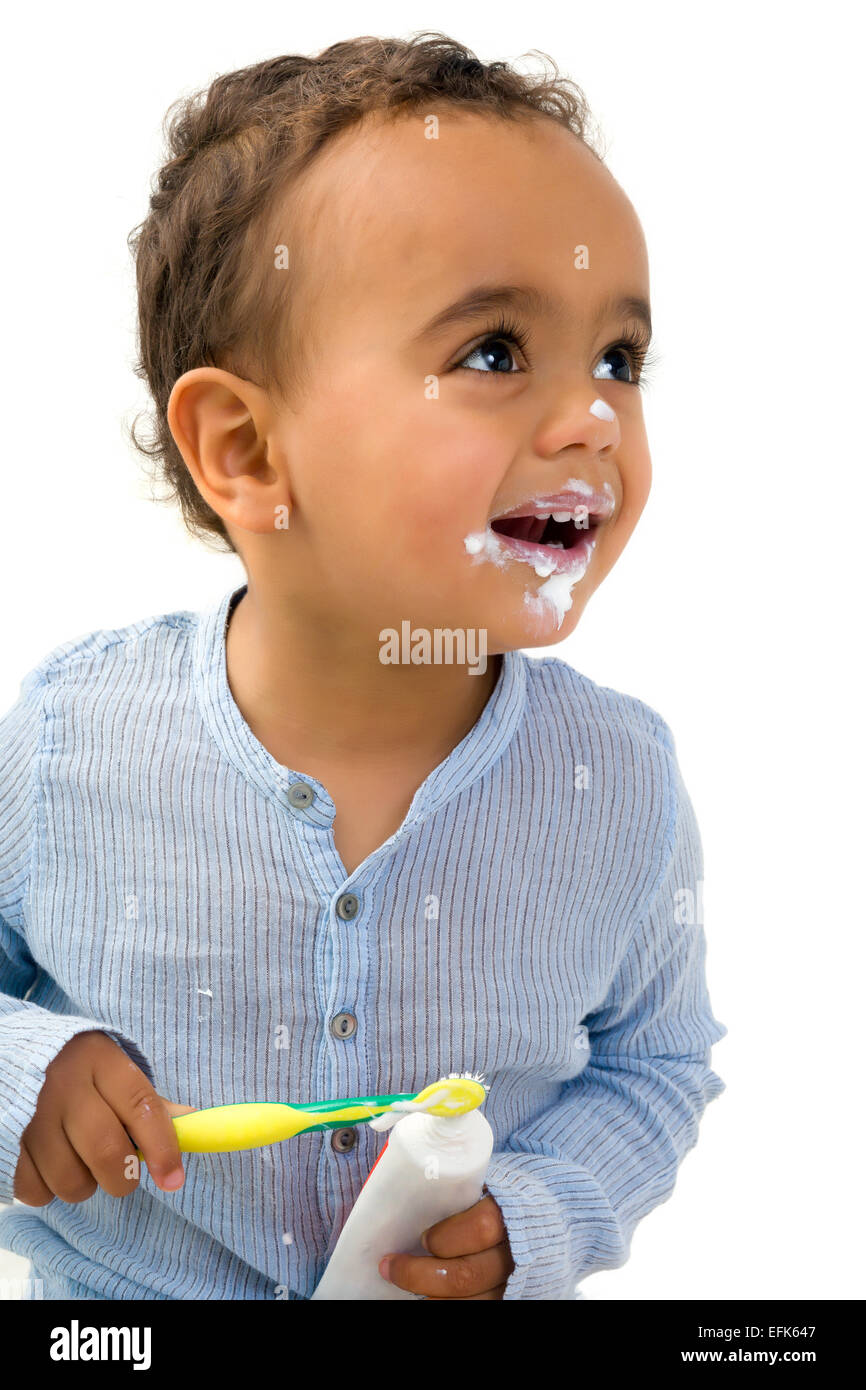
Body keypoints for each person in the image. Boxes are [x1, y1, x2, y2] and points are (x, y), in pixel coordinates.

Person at [0, 32, 726, 1300]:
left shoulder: (615, 781)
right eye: (494, 352)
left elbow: (654, 1066)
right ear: (245, 450)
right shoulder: (71, 739)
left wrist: (537, 1212)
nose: (593, 418)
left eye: (618, 358)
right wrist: (29, 1077)